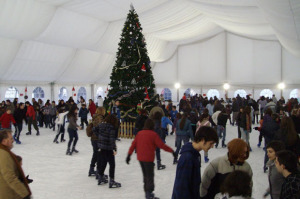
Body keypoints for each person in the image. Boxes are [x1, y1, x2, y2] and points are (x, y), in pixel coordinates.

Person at [126, 119, 175, 199]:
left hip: (141, 158)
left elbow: (133, 144)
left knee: (145, 175)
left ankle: (147, 192)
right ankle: (149, 194)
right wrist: (172, 151)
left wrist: (129, 155)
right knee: (149, 176)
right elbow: (162, 145)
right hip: (148, 158)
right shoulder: (153, 134)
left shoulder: (140, 133)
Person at [172, 126, 218, 199]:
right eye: (211, 143)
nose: (212, 146)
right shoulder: (187, 158)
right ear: (203, 140)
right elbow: (181, 187)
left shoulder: (195, 155)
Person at [0, 129, 31, 199]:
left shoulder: (5, 152)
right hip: (8, 195)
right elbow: (10, 177)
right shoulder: (3, 154)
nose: (13, 140)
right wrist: (25, 194)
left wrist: (21, 180)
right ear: (4, 141)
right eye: (11, 139)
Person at [93, 114, 121, 188]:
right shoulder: (111, 128)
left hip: (101, 147)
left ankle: (100, 176)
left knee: (104, 162)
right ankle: (111, 180)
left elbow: (94, 129)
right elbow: (112, 140)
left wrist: (99, 136)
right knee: (112, 164)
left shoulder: (101, 125)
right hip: (108, 148)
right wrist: (114, 149)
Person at [89, 107, 106, 177]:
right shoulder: (99, 118)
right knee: (99, 155)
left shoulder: (95, 117)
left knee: (96, 154)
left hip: (94, 138)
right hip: (97, 139)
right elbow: (99, 128)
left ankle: (92, 169)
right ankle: (98, 171)